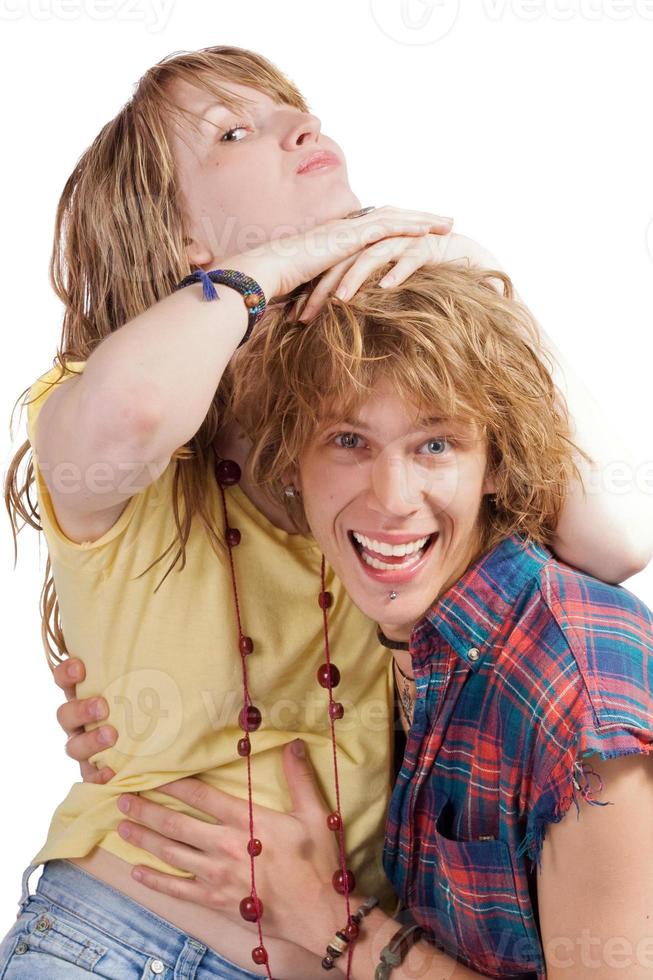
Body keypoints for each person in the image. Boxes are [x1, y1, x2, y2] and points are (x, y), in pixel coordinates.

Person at [2, 43, 650, 980]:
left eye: (291, 110)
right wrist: (280, 262)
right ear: (184, 238)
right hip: (124, 947)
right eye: (235, 132)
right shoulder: (98, 403)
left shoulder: (366, 421)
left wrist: (472, 266)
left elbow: (617, 540)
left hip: (346, 952)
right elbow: (137, 410)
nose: (301, 128)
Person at [106, 261, 653, 979]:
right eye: (347, 441)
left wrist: (321, 916)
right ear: (292, 466)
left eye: (435, 445)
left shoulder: (577, 692)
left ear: (494, 463)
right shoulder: (369, 626)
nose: (392, 498)